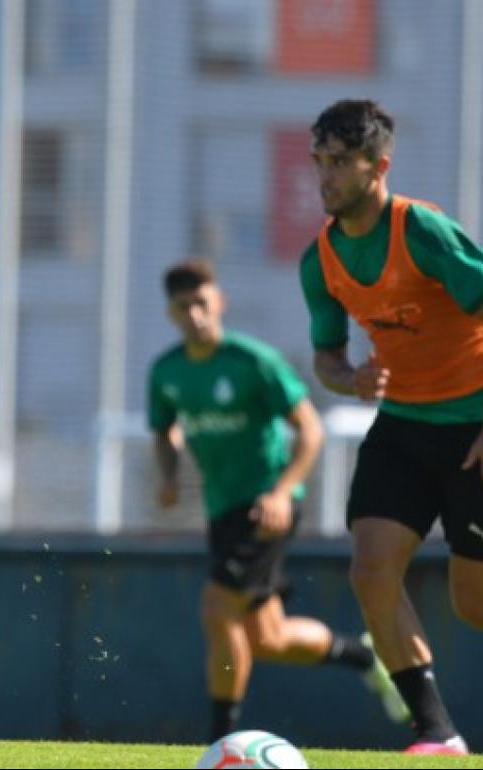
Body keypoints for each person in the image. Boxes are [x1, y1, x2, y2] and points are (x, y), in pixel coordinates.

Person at [149, 260, 406, 743]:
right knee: (266, 637)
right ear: (171, 313)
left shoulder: (253, 362)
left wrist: (282, 492)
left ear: (218, 302)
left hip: (264, 506)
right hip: (222, 510)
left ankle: (219, 741)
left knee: (216, 606)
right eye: (184, 307)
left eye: (202, 303)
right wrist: (167, 474)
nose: (195, 315)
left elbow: (310, 431)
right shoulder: (167, 373)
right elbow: (164, 430)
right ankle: (366, 657)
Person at [299, 98, 483, 756]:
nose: (325, 176)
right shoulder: (318, 260)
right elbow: (326, 358)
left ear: (379, 167)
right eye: (320, 160)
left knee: (473, 605)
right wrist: (352, 380)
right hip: (402, 428)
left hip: (473, 428)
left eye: (341, 163)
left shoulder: (423, 232)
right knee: (372, 570)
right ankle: (437, 732)